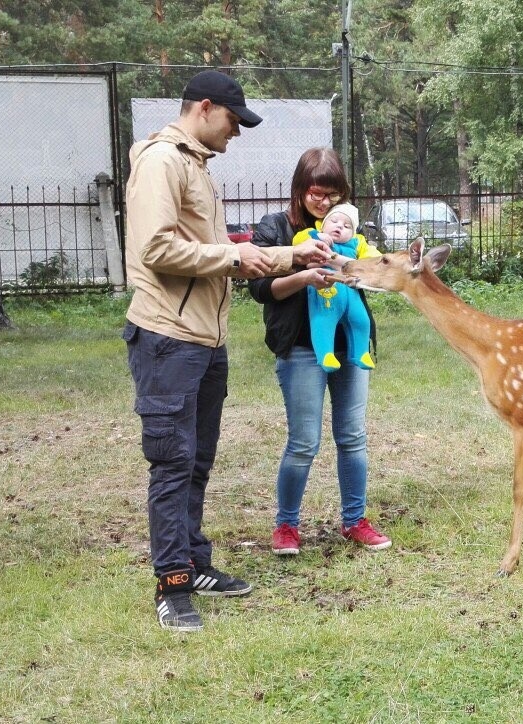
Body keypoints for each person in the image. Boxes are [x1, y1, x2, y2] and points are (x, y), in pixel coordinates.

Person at [122, 70, 332, 632]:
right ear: (206, 108)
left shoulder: (195, 166)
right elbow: (157, 248)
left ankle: (195, 565)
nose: (237, 133)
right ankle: (171, 586)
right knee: (172, 463)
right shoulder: (162, 162)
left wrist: (292, 255)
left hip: (204, 340)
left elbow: (214, 245)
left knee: (196, 459)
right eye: (234, 121)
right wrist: (236, 259)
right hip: (167, 337)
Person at [247, 148, 392, 559]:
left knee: (352, 437)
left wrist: (357, 270)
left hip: (349, 348)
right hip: (300, 348)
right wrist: (303, 276)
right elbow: (260, 290)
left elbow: (373, 275)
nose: (325, 203)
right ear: (299, 189)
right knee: (304, 442)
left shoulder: (350, 232)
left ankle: (354, 520)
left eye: (333, 195)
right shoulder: (276, 227)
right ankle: (287, 526)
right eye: (316, 193)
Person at [300, 202, 377, 372]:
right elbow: (298, 242)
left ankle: (361, 353)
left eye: (347, 226)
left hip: (352, 295)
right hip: (327, 291)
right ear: (323, 224)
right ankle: (325, 355)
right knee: (323, 321)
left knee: (362, 321)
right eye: (334, 221)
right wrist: (317, 238)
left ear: (354, 232)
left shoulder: (357, 243)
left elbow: (374, 259)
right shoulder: (313, 234)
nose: (339, 227)